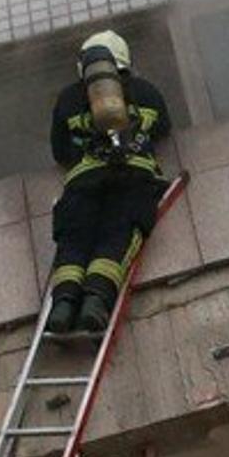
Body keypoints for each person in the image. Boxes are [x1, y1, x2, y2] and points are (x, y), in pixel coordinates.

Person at [46, 29, 171, 340]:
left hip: (83, 183)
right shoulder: (148, 92)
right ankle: (95, 303)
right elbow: (163, 129)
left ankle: (62, 307)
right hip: (133, 179)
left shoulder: (68, 98)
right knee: (116, 238)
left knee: (73, 242)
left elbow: (60, 152)